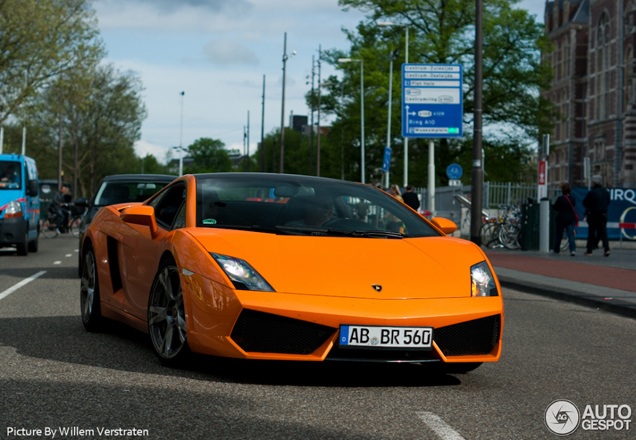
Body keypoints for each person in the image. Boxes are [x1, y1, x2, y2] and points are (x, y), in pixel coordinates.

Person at [583, 175, 610, 256]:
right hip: (603, 214)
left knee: (591, 232)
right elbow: (608, 202)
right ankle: (607, 249)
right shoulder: (606, 192)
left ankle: (589, 250)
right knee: (603, 232)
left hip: (593, 214)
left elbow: (586, 203)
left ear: (594, 183)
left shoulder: (592, 192)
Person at [552, 183, 577, 256]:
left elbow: (555, 207)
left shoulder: (560, 198)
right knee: (571, 235)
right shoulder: (573, 198)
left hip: (561, 218)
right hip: (571, 218)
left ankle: (556, 249)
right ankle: (572, 250)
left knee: (559, 234)